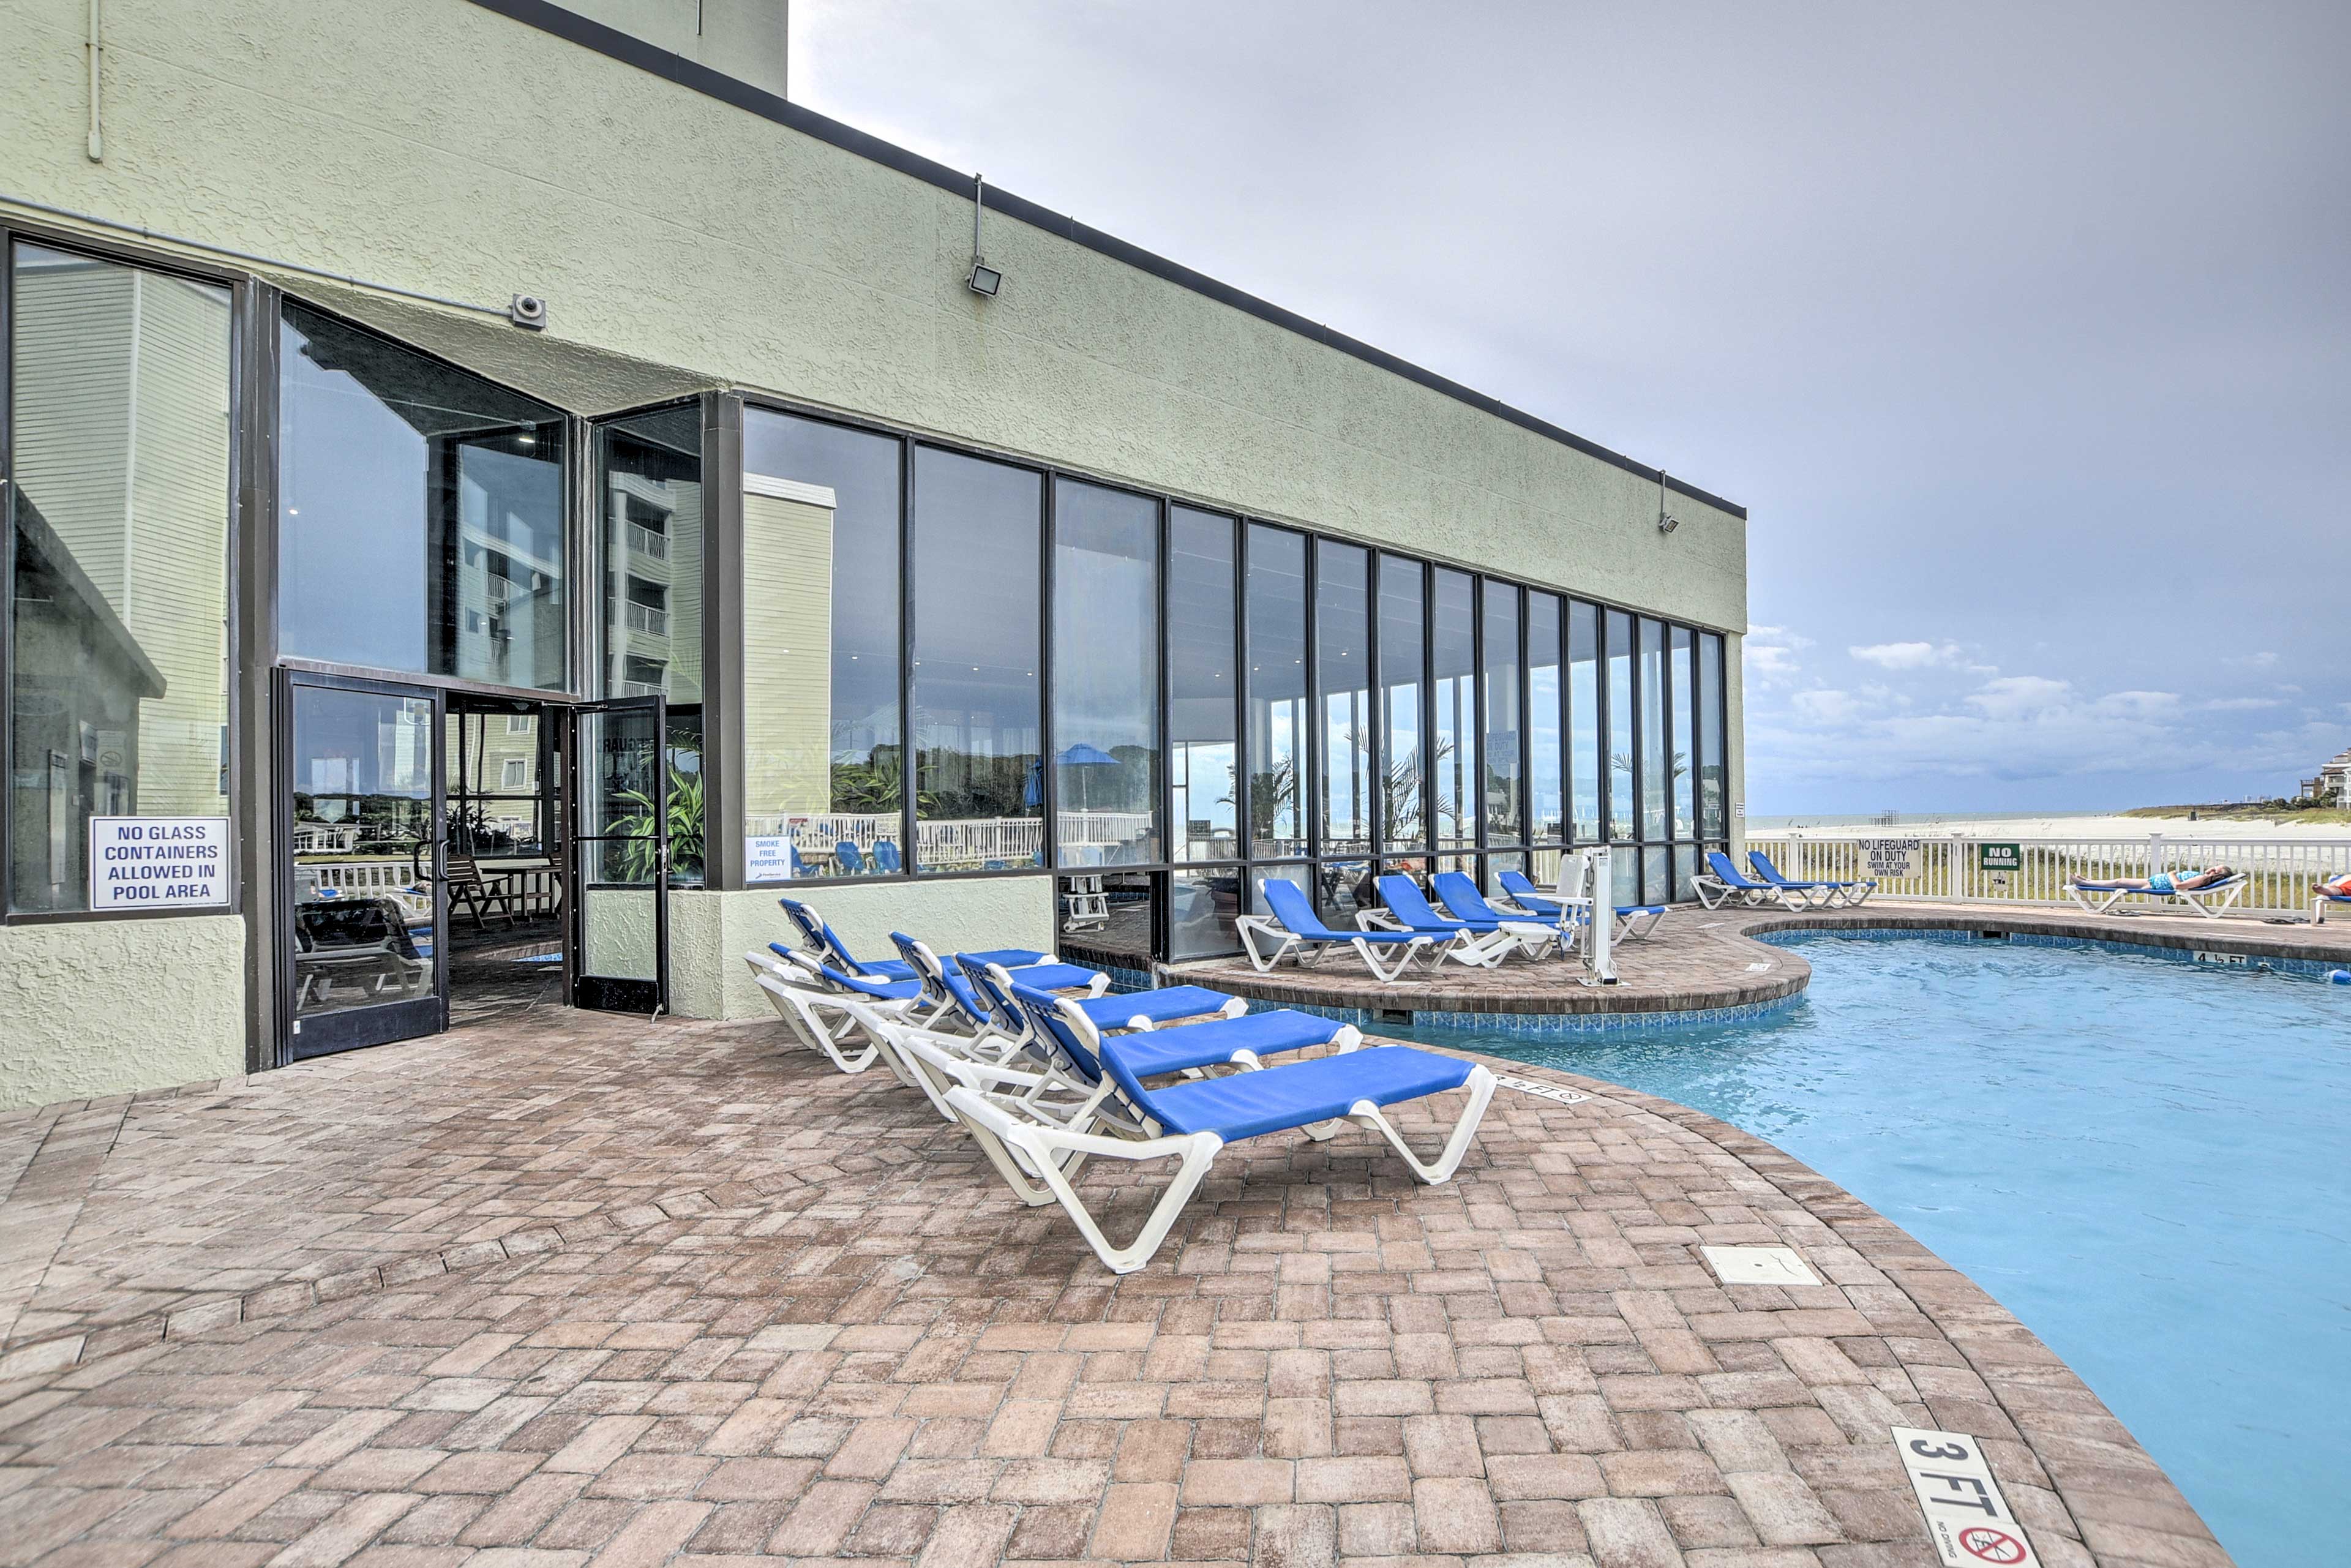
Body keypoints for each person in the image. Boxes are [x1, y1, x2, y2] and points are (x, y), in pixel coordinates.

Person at [2072, 864, 2234, 895]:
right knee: (2119, 881)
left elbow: (2178, 886)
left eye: (2216, 870)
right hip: (2154, 882)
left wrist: (2172, 874)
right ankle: (2088, 881)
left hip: (2153, 885)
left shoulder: (2201, 879)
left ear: (2217, 876)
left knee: (2119, 882)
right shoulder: (2202, 878)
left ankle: (2086, 883)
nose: (2211, 869)